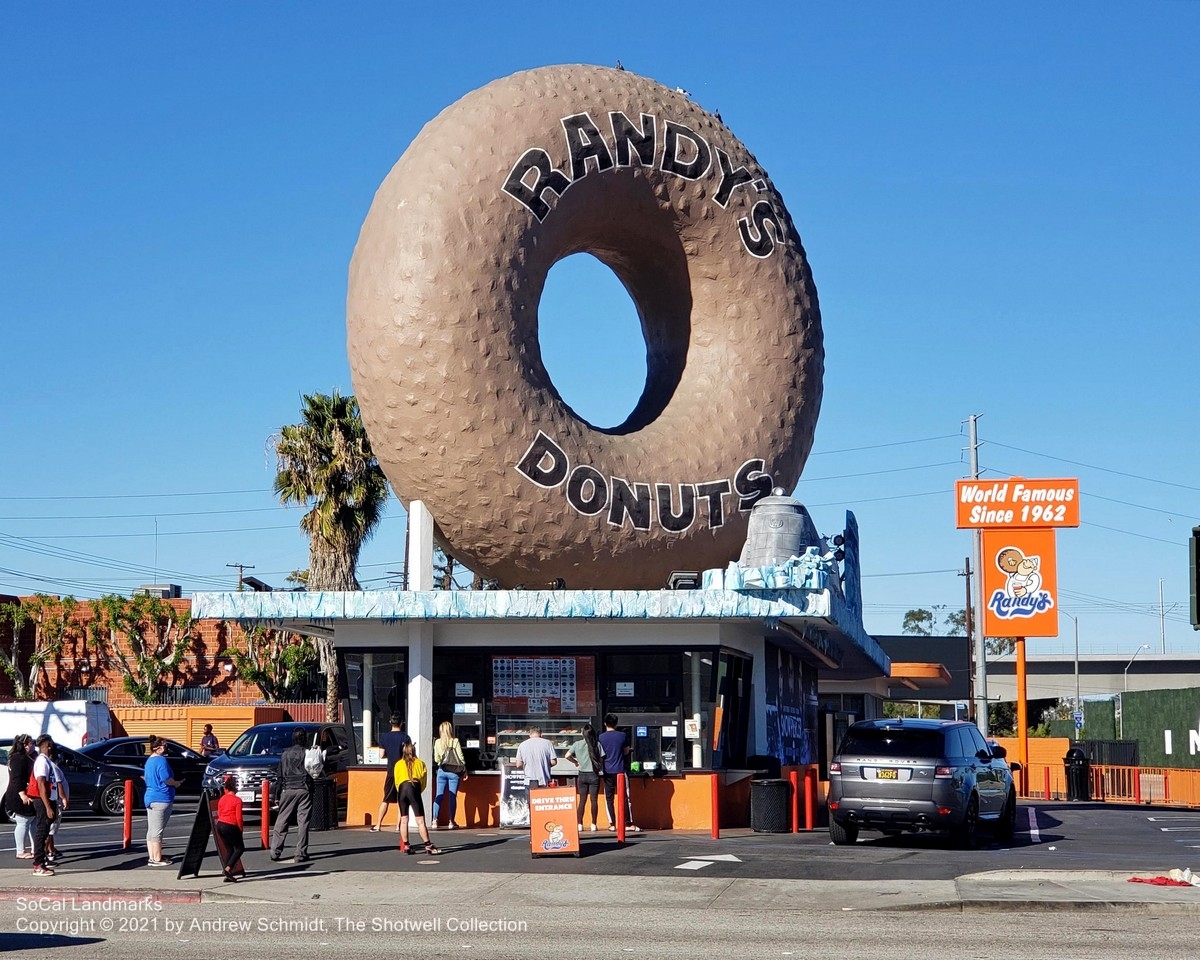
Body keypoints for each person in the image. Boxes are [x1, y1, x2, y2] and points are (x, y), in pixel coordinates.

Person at [270, 728, 312, 864]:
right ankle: (300, 852)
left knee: (282, 820)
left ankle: (275, 850)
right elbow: (313, 770)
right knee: (303, 822)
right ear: (304, 738)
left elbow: (280, 776)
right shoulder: (307, 752)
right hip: (303, 787)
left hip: (288, 788)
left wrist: (277, 794)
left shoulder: (285, 754)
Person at [393, 741, 439, 855]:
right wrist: (418, 792)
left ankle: (407, 845)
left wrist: (401, 791)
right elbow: (423, 782)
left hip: (402, 789)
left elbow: (396, 781)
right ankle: (428, 845)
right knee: (420, 820)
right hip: (414, 788)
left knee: (404, 819)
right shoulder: (420, 763)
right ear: (414, 751)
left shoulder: (398, 764)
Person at [372, 713, 413, 832]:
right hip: (403, 772)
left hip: (390, 771)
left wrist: (389, 754)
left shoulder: (385, 737)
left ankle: (378, 824)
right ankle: (398, 826)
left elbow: (381, 755)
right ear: (401, 723)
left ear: (391, 722)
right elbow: (409, 754)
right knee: (402, 800)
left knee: (386, 799)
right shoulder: (405, 737)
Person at [599, 714, 640, 832]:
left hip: (607, 771)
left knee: (609, 798)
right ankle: (628, 823)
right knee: (625, 797)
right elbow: (626, 751)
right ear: (616, 724)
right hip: (620, 770)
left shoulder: (601, 737)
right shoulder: (622, 736)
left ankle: (612, 824)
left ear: (605, 724)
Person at [144, 735, 181, 866]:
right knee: (158, 830)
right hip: (161, 797)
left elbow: (147, 778)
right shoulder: (161, 761)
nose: (166, 749)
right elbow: (166, 779)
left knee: (151, 829)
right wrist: (176, 783)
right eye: (165, 746)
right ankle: (157, 858)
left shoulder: (149, 761)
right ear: (158, 748)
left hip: (150, 796)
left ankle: (152, 856)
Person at [566, 722, 605, 832]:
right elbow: (602, 758)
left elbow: (567, 756)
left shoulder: (577, 744)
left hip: (582, 775)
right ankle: (593, 824)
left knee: (582, 800)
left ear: (582, 733)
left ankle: (579, 824)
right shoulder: (596, 744)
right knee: (594, 800)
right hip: (593, 775)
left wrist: (575, 762)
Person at [4, 733, 36, 860]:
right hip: (19, 795)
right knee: (23, 822)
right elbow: (17, 779)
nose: (33, 746)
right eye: (30, 743)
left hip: (27, 793)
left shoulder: (25, 757)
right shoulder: (19, 759)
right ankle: (20, 851)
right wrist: (23, 794)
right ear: (24, 745)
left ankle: (36, 848)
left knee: (32, 821)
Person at [432, 720, 467, 830]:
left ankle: (434, 820)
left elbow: (436, 759)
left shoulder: (437, 742)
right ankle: (451, 821)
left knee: (439, 795)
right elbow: (460, 757)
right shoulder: (455, 741)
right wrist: (464, 770)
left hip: (442, 770)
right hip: (454, 773)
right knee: (452, 797)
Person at [31, 734, 57, 876]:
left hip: (47, 799)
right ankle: (38, 864)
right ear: (48, 745)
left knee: (46, 829)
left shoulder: (47, 760)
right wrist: (47, 806)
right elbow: (41, 783)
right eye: (51, 744)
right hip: (42, 800)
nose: (53, 746)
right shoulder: (41, 761)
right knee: (42, 830)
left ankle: (42, 861)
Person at [216, 776, 245, 883]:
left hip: (220, 824)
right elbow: (239, 818)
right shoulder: (237, 800)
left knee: (229, 848)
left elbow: (219, 813)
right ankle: (228, 869)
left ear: (226, 789)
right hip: (231, 825)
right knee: (240, 848)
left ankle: (227, 868)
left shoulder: (222, 799)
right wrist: (240, 830)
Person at [46, 747, 69, 864]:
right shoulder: (53, 768)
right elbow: (58, 783)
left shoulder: (51, 766)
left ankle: (51, 848)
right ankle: (48, 852)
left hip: (54, 799)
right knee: (51, 828)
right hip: (56, 800)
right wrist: (64, 798)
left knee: (51, 828)